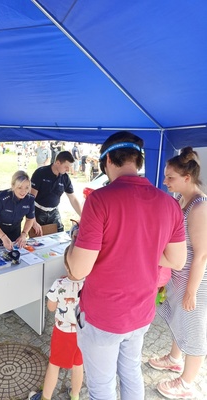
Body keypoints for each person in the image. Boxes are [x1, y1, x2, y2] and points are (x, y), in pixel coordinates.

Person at [66, 131, 187, 400]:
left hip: (104, 315)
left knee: (102, 386)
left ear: (108, 160)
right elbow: (177, 260)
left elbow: (78, 269)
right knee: (131, 371)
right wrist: (140, 250)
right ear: (139, 161)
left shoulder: (99, 200)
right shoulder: (169, 203)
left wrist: (74, 241)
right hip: (141, 312)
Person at [148, 147, 207, 399]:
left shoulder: (199, 206)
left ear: (187, 178)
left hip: (195, 281)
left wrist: (192, 292)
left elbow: (202, 254)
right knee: (175, 319)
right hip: (178, 276)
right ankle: (174, 358)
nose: (164, 181)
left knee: (194, 329)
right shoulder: (182, 199)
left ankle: (187, 383)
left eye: (170, 177)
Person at [28, 246, 85, 400]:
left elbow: (51, 308)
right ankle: (75, 396)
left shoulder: (59, 283)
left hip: (63, 333)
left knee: (54, 363)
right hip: (83, 333)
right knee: (78, 364)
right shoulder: (89, 283)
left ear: (66, 265)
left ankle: (45, 397)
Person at [31, 151, 82, 235]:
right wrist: (33, 220)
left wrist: (83, 216)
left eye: (69, 167)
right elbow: (30, 198)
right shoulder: (40, 173)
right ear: (58, 163)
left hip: (54, 212)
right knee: (37, 241)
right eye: (66, 167)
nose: (68, 170)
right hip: (38, 212)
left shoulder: (65, 178)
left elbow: (73, 198)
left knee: (60, 238)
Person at [0, 170, 35, 250]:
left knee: (15, 253)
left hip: (15, 228)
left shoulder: (30, 199)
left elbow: (30, 219)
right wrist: (3, 237)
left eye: (26, 187)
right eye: (20, 187)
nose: (23, 191)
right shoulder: (1, 198)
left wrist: (24, 234)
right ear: (13, 186)